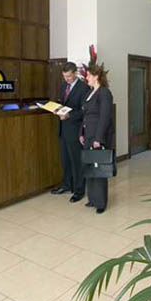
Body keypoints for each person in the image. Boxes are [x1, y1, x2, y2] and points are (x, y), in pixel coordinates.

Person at [51, 62, 89, 202]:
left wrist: (69, 115)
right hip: (63, 130)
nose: (66, 79)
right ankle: (67, 185)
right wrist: (56, 109)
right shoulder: (63, 86)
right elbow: (63, 104)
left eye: (69, 76)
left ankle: (79, 190)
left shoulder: (84, 88)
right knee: (65, 160)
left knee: (77, 162)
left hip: (75, 131)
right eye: (64, 76)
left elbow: (84, 111)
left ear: (75, 73)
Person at [80, 63, 114, 214]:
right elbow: (85, 115)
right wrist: (81, 133)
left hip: (97, 136)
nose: (86, 77)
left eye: (88, 75)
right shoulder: (89, 93)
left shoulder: (104, 93)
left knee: (99, 169)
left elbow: (105, 118)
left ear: (96, 76)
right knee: (89, 167)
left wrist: (98, 138)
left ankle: (100, 202)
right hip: (87, 135)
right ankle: (92, 199)